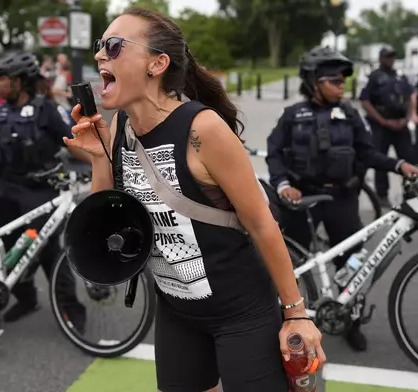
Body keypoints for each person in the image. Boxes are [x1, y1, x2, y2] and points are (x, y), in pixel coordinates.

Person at [64, 7, 324, 391]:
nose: (100, 55)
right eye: (100, 46)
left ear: (157, 63)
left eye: (114, 46)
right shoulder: (119, 126)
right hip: (176, 308)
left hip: (242, 312)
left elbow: (260, 222)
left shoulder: (202, 129)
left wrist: (296, 313)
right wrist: (101, 155)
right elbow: (105, 220)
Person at [266, 46, 418, 352]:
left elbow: (368, 153)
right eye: (335, 81)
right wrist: (283, 185)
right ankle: (289, 318)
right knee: (291, 263)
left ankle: (349, 320)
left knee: (351, 265)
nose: (342, 86)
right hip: (303, 199)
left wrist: (399, 165)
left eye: (343, 81)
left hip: (342, 198)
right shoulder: (292, 115)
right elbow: (274, 153)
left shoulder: (351, 115)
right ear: (314, 81)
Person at [0, 51, 89, 326]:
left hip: (40, 191)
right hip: (6, 189)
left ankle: (71, 311)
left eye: (1, 79)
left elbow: (70, 144)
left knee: (48, 252)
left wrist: (99, 161)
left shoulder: (45, 110)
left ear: (18, 82)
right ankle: (25, 298)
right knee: (8, 250)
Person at [360, 46, 417, 207]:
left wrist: (407, 119)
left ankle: (410, 193)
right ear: (380, 58)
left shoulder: (400, 76)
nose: (390, 60)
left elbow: (411, 96)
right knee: (381, 160)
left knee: (408, 158)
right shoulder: (373, 77)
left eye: (392, 56)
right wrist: (382, 121)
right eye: (387, 57)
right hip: (381, 124)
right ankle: (382, 195)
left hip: (401, 123)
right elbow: (365, 101)